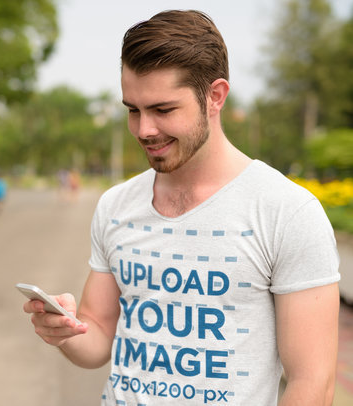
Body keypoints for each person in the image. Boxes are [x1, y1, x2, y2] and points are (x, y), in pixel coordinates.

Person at [23, 10, 340, 405]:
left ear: (215, 96)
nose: (144, 130)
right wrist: (66, 331)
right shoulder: (116, 205)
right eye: (133, 110)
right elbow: (99, 337)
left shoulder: (287, 212)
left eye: (163, 110)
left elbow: (312, 383)